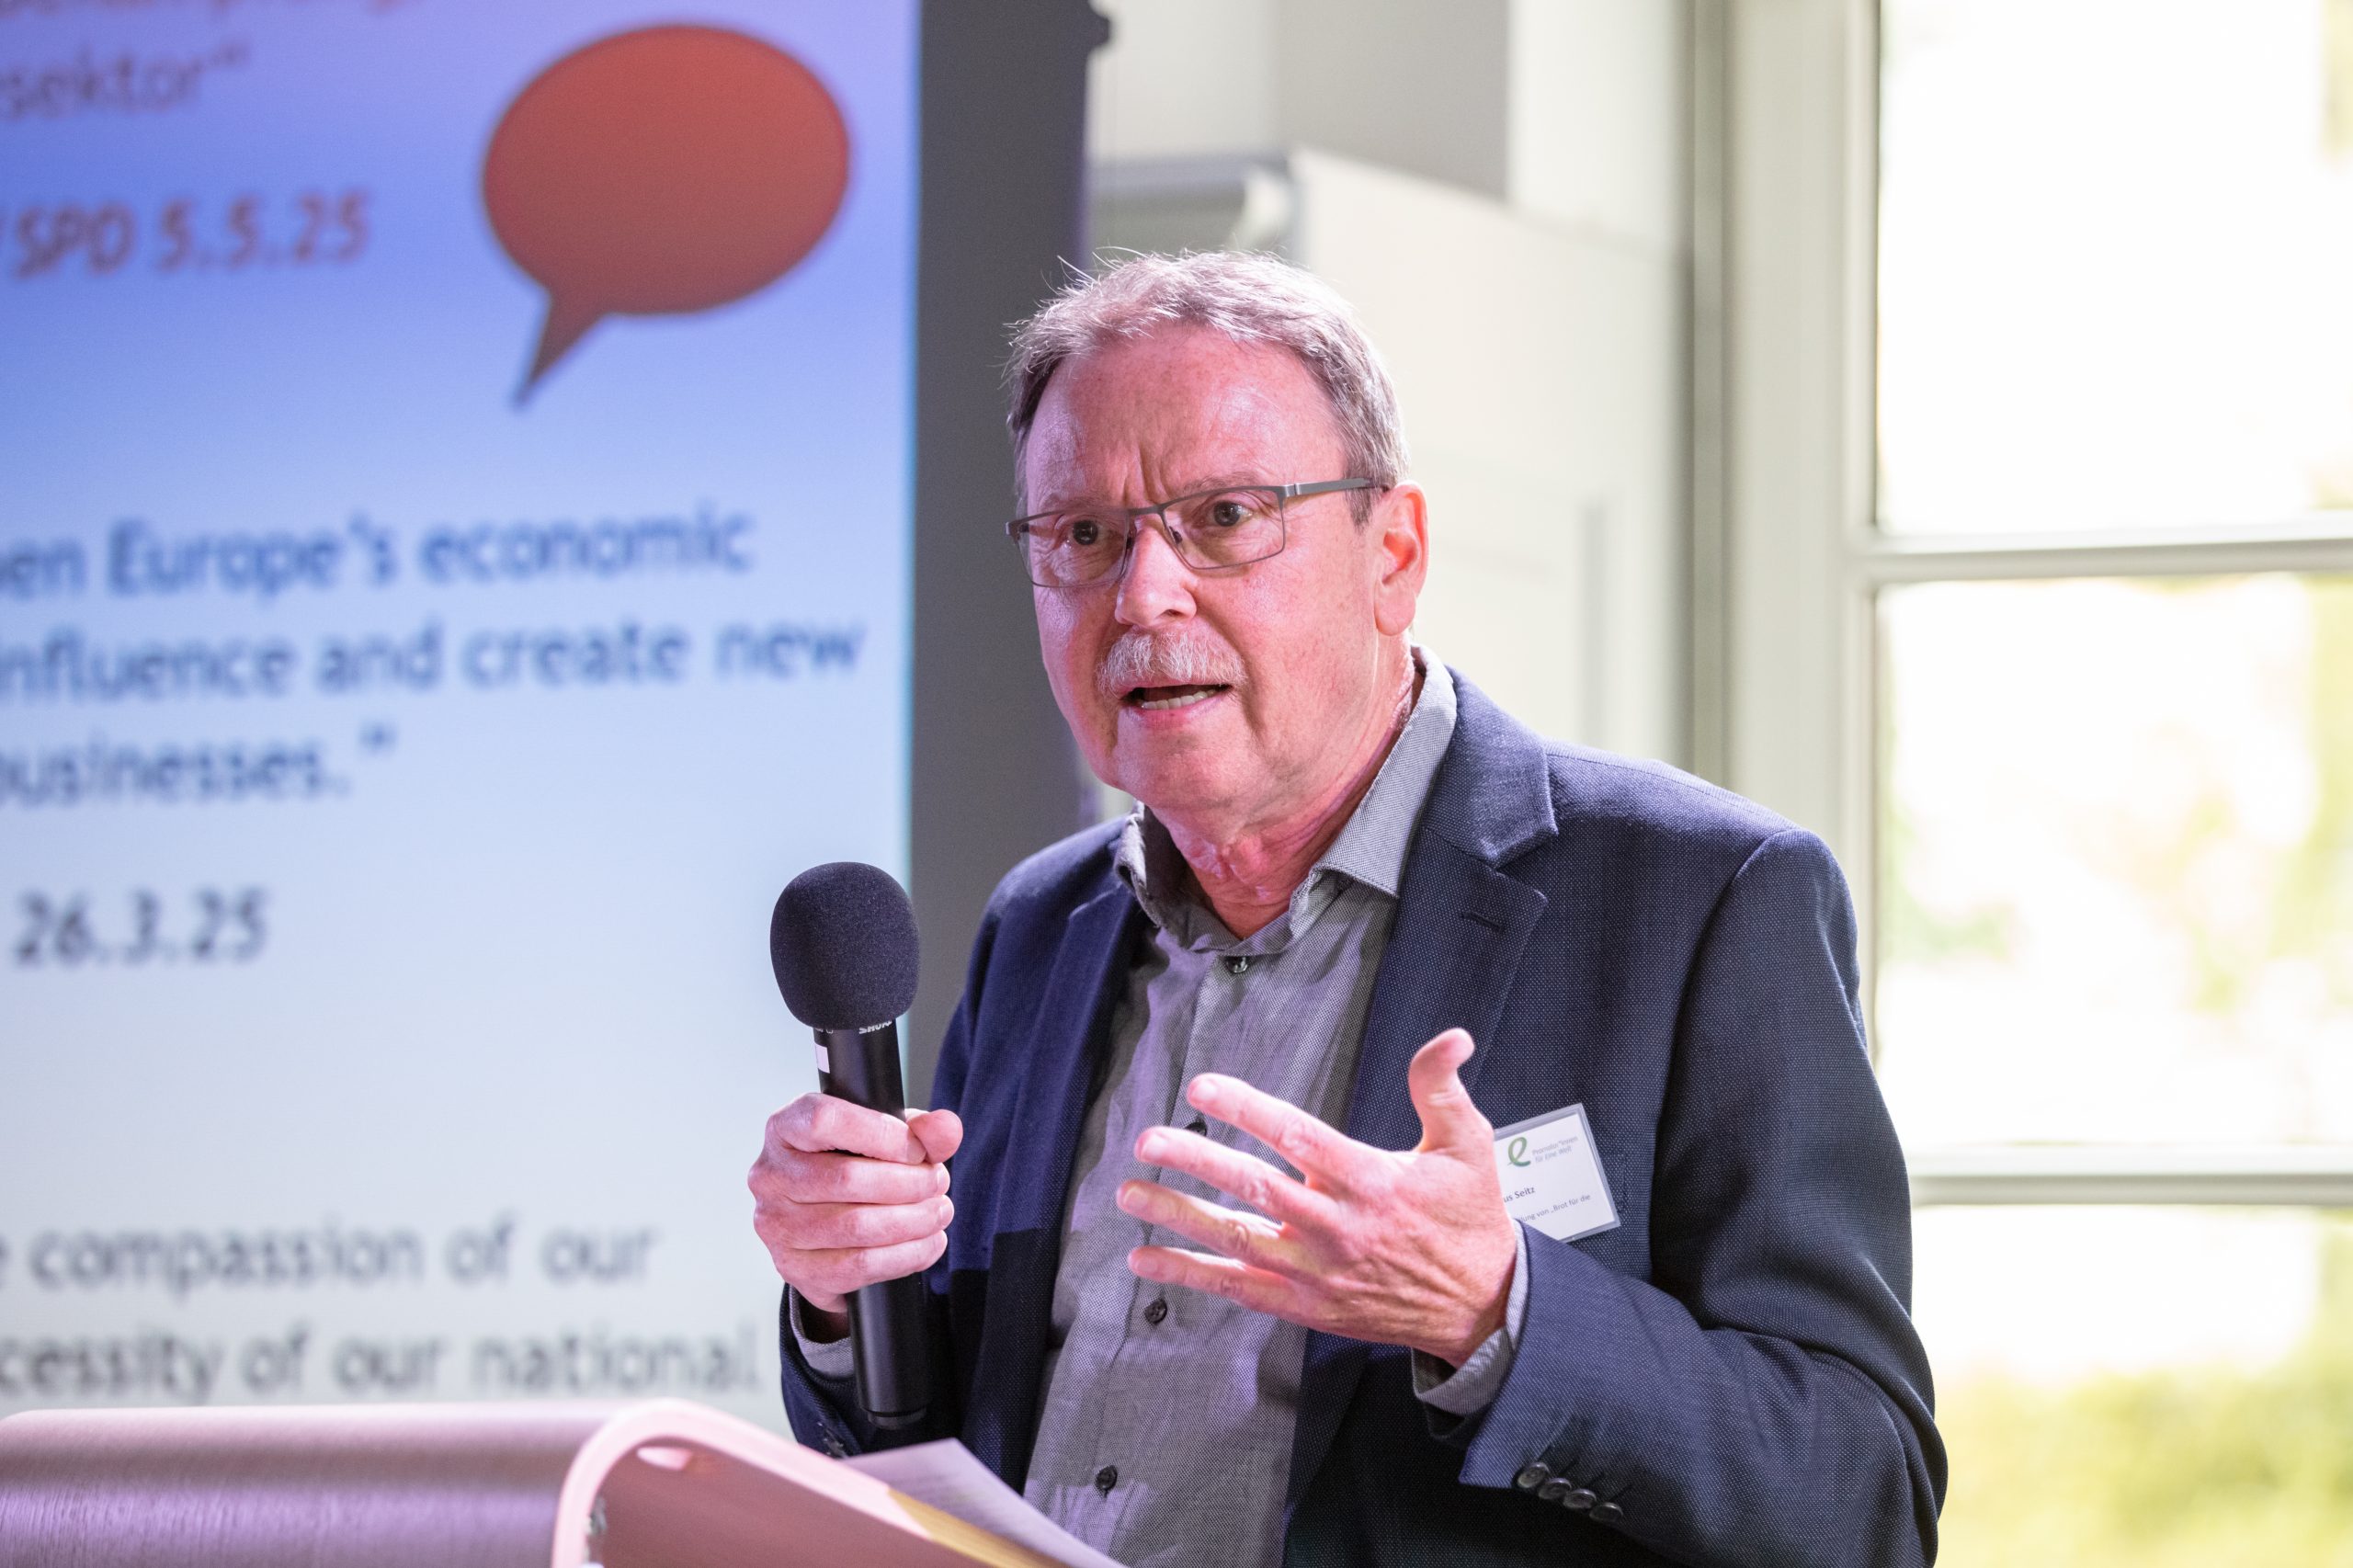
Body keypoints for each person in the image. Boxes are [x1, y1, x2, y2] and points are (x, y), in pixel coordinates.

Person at [749, 251, 1945, 1568]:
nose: (1142, 595)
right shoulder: (1043, 925)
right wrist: (840, 1300)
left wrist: (1500, 1309)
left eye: (1225, 516)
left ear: (1395, 555)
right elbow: (938, 1443)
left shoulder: (1703, 898)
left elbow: (1865, 1495)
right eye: (1082, 536)